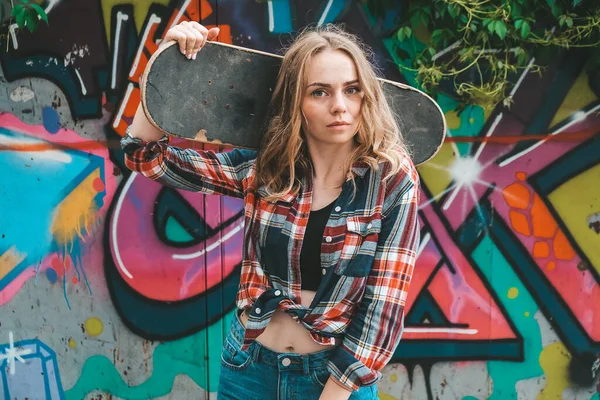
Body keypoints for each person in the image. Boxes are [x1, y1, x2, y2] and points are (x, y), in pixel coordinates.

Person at [121, 20, 420, 400]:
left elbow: (384, 306)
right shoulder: (268, 169)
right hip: (249, 370)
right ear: (296, 101)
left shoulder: (391, 178)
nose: (340, 106)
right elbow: (144, 157)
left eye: (352, 90)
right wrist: (163, 62)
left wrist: (335, 391)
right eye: (319, 92)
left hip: (333, 381)